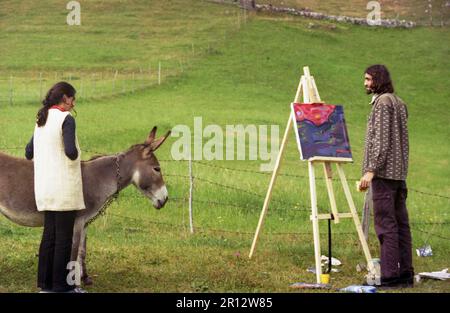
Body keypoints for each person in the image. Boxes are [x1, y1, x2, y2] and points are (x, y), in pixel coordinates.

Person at [25, 82, 87, 293]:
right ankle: (61, 287)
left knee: (49, 237)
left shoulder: (41, 119)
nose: (73, 103)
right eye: (72, 98)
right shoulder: (66, 119)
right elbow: (70, 151)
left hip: (44, 188)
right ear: (65, 98)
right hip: (64, 190)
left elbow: (28, 152)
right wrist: (77, 153)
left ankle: (45, 285)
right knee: (63, 239)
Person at [359, 65, 414, 288]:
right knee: (401, 225)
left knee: (385, 225)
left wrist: (371, 170)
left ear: (378, 80)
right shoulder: (399, 102)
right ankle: (406, 274)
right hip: (398, 174)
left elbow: (380, 141)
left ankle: (391, 275)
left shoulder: (382, 103)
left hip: (383, 174)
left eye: (368, 79)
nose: (365, 83)